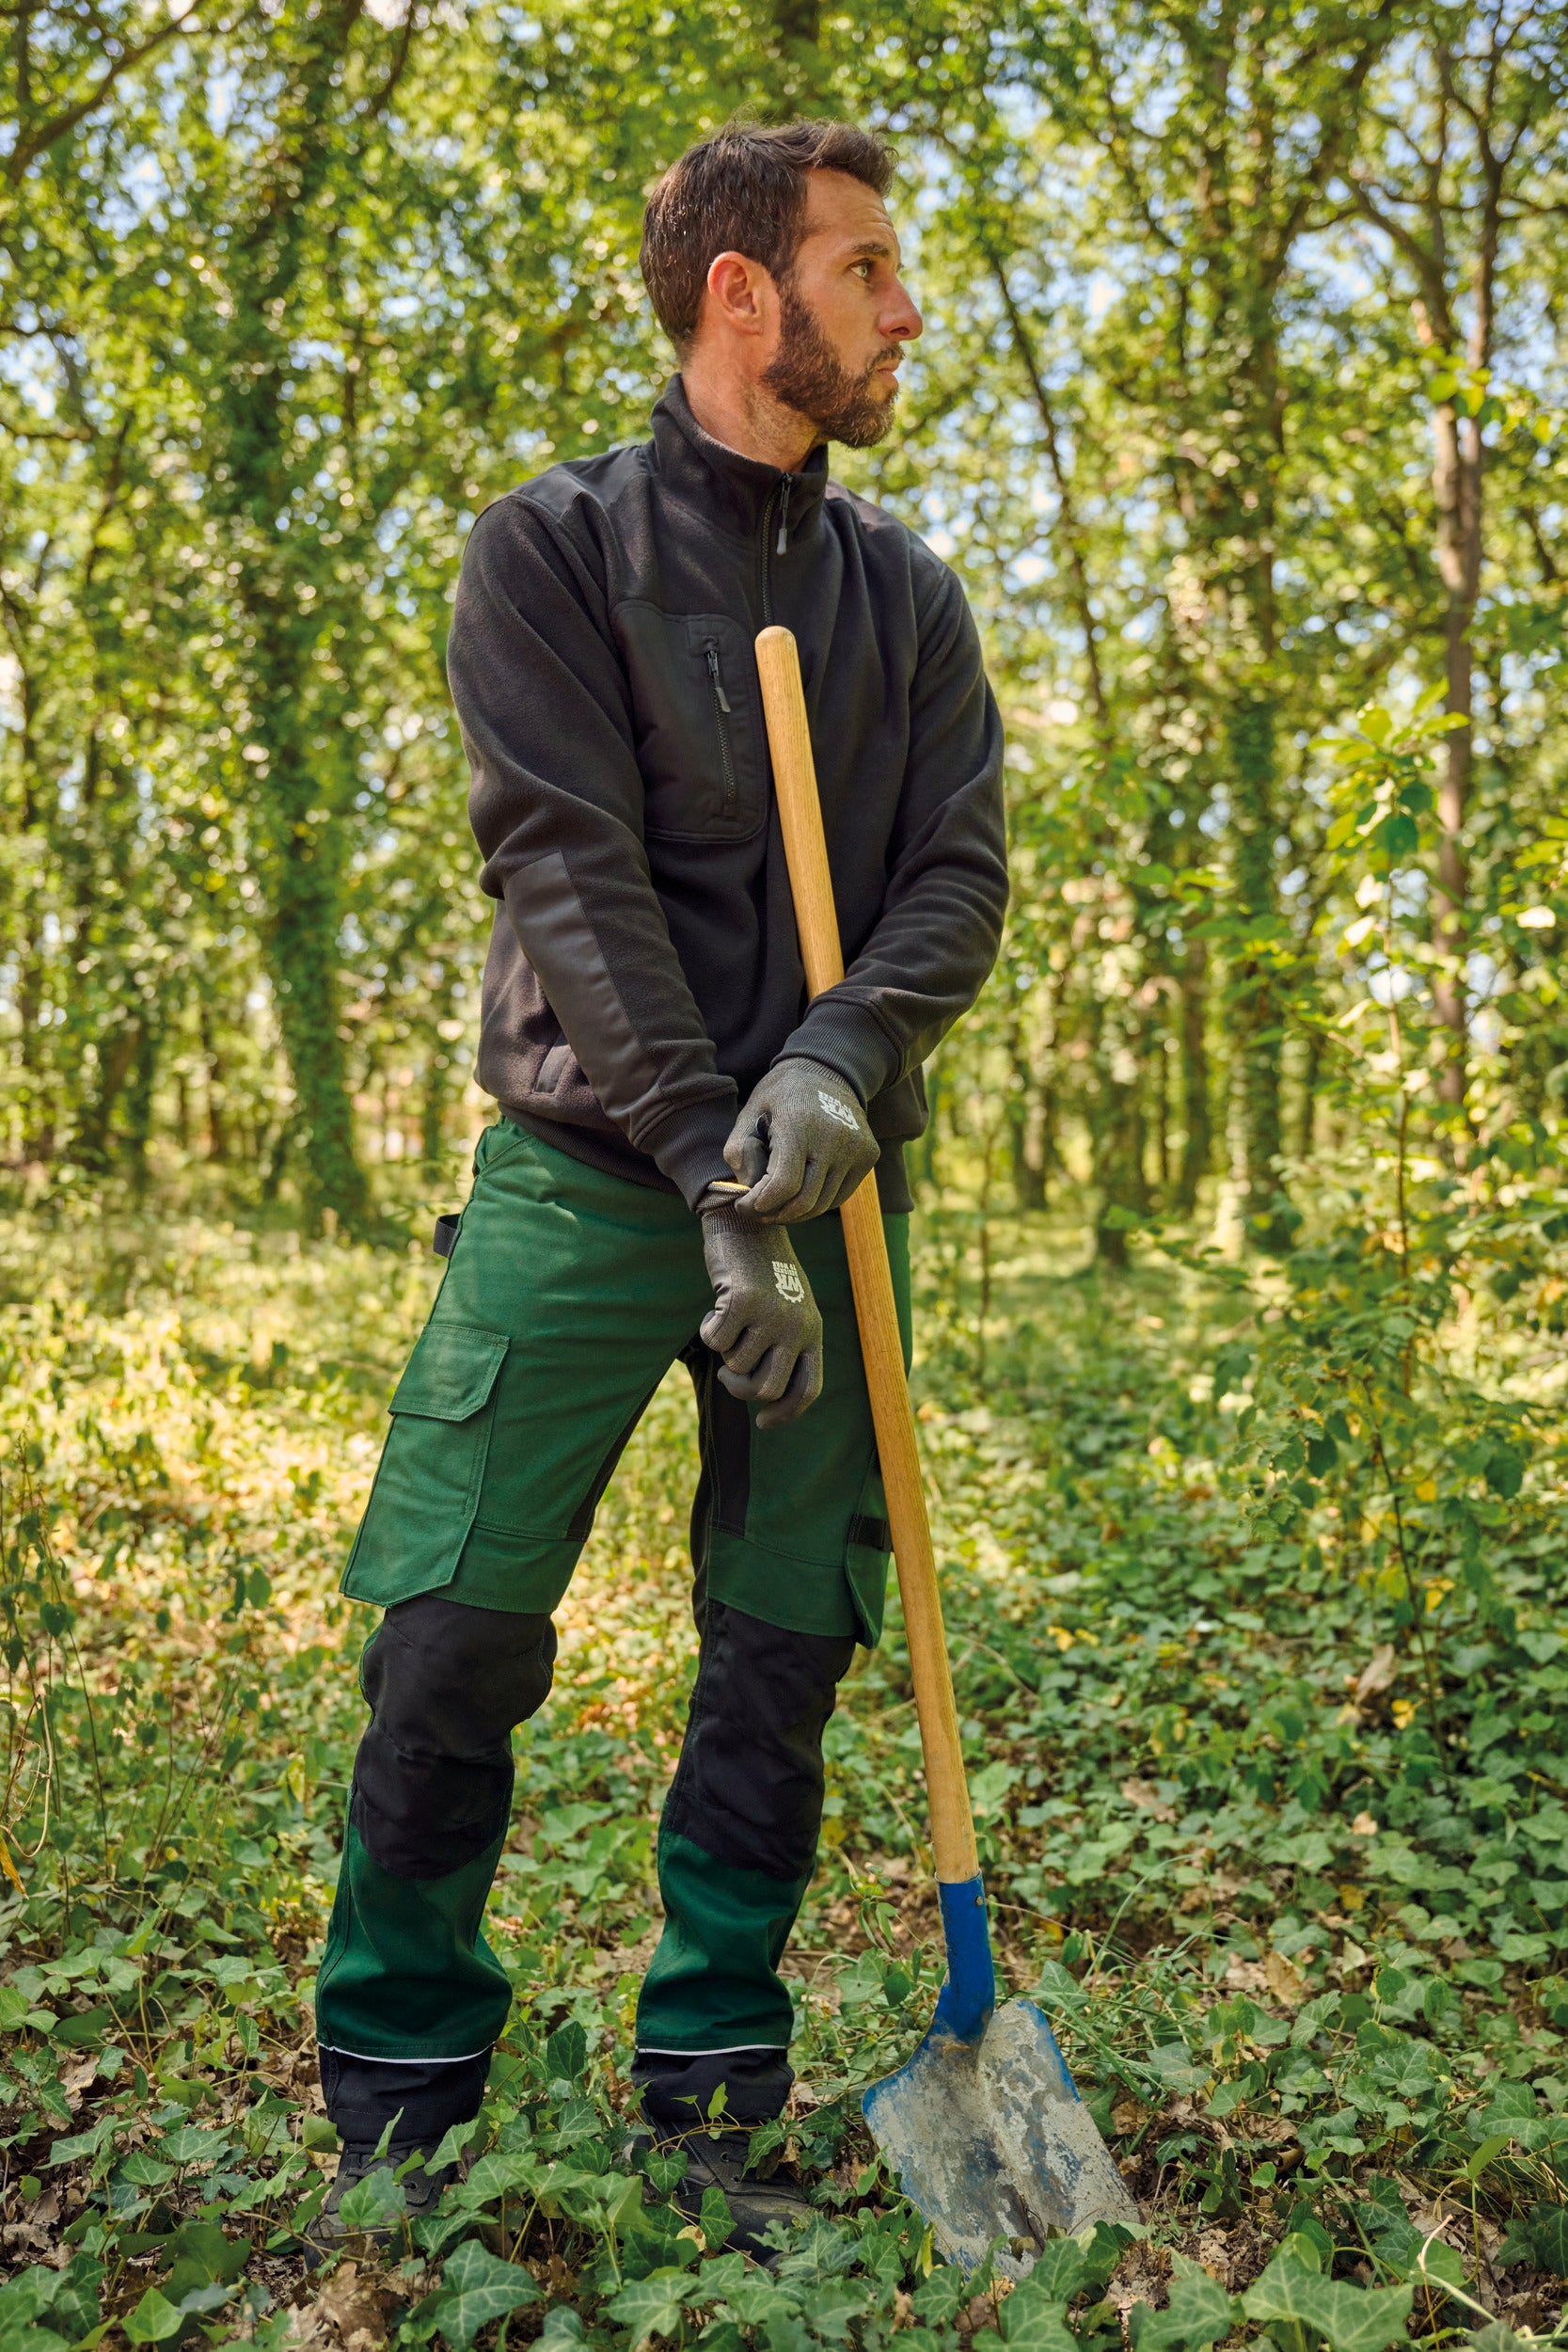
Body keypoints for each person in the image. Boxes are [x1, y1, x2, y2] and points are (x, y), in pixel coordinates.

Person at [309, 116, 1007, 2261]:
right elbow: (568, 875)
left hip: (837, 1185)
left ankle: (715, 2077)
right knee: (449, 1628)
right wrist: (716, 1170)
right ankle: (406, 2082)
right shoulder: (550, 552)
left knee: (781, 1649)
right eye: (866, 266)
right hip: (585, 1177)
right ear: (743, 294)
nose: (905, 309)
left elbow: (958, 878)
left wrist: (835, 1063)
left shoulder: (905, 594)